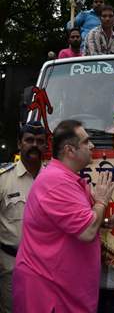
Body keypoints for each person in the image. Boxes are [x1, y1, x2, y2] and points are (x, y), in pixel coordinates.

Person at [12, 120, 114, 313]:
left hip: (63, 288)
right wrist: (101, 201)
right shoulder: (57, 182)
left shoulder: (65, 178)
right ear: (70, 150)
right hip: (49, 293)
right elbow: (86, 231)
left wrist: (106, 222)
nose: (92, 146)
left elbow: (68, 224)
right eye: (86, 142)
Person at [0, 121, 46, 313]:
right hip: (12, 266)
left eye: (40, 141)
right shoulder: (4, 179)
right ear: (19, 144)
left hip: (47, 269)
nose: (34, 145)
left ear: (46, 145)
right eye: (29, 140)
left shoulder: (55, 178)